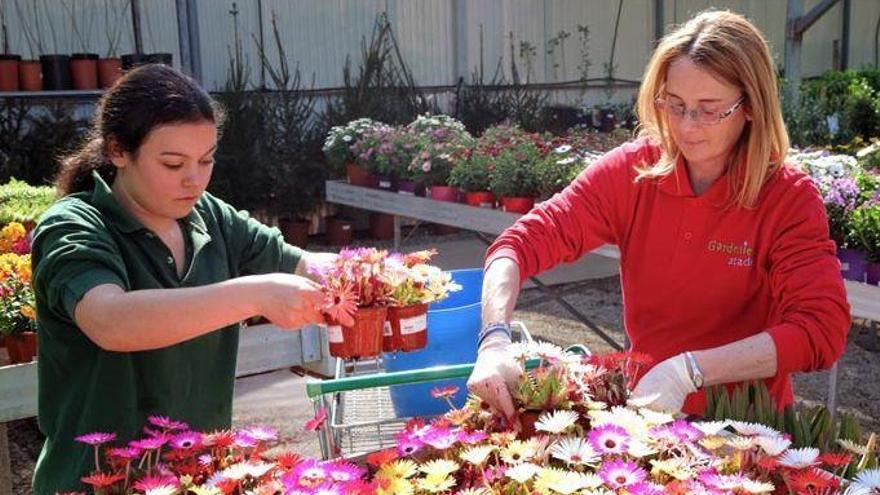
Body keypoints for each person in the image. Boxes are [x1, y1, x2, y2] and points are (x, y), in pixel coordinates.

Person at [468, 10, 850, 424]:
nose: (687, 126)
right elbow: (517, 246)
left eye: (709, 109)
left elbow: (820, 330)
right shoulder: (635, 172)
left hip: (747, 431)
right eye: (675, 104)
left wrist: (691, 371)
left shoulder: (786, 198)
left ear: (751, 108)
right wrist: (494, 341)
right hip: (650, 416)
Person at [30, 64, 332, 493]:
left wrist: (378, 272)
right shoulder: (75, 225)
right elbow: (110, 321)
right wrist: (254, 295)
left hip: (196, 479)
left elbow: (299, 264)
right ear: (118, 150)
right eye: (173, 163)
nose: (194, 180)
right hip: (95, 483)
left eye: (206, 160)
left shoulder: (211, 217)